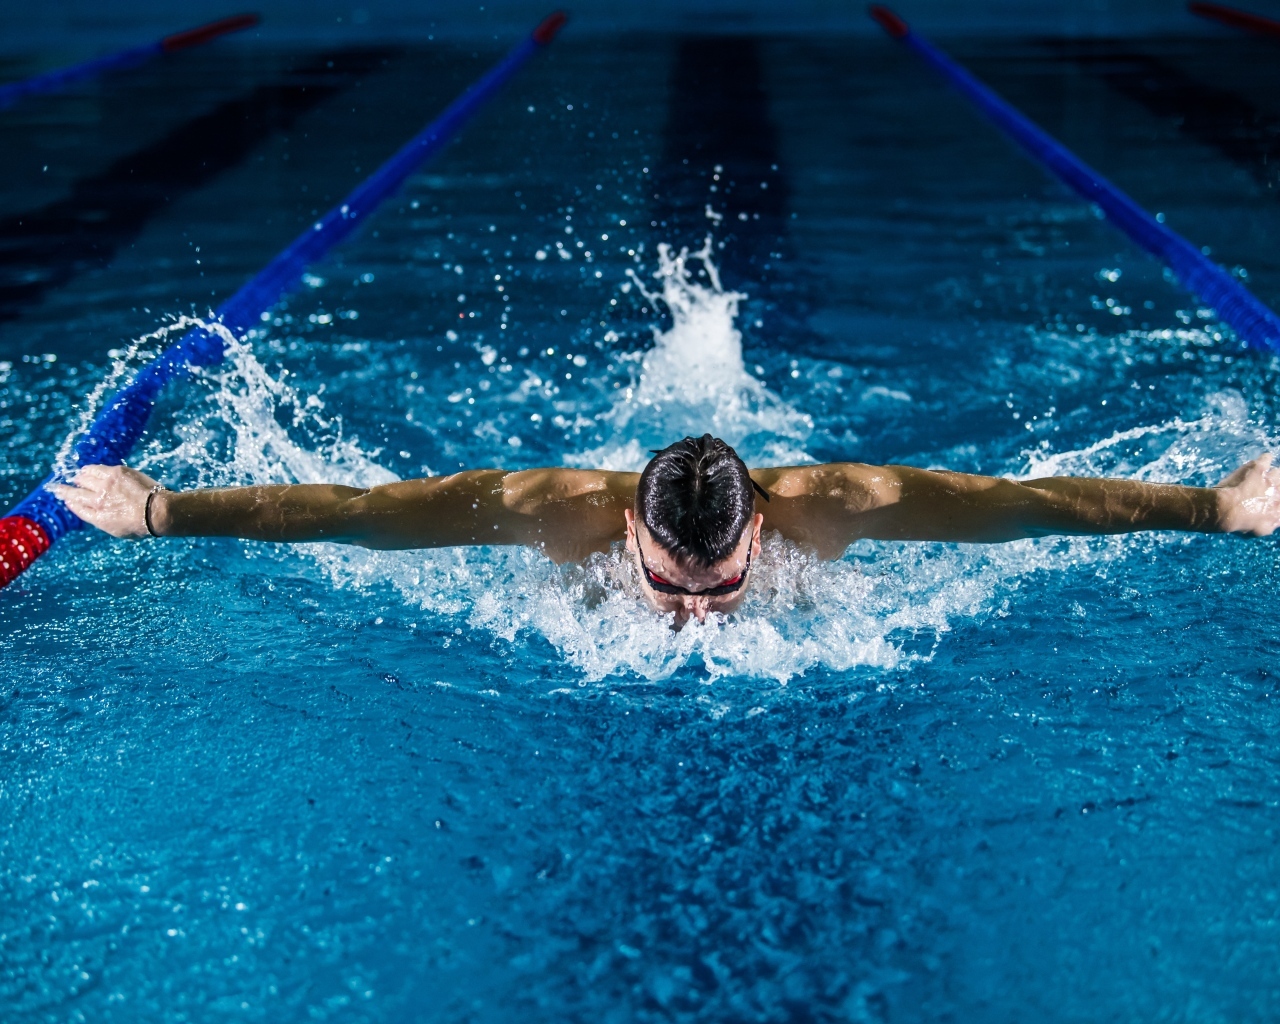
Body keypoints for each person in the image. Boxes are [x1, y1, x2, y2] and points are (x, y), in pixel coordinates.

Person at [52, 434, 1280, 627]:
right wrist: (161, 512)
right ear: (627, 531)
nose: (693, 619)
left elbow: (1027, 504)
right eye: (672, 585)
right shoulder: (550, 511)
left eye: (724, 587)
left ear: (761, 534)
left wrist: (1217, 510)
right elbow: (362, 518)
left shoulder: (837, 505)